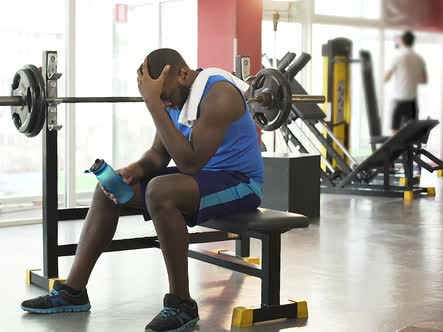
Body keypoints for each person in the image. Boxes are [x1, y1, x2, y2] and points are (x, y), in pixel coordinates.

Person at [20, 48, 264, 332]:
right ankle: (73, 291)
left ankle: (181, 303)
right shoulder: (177, 99)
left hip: (240, 183)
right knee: (107, 189)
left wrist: (153, 104)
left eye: (164, 95)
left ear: (183, 75)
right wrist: (132, 171)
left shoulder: (219, 95)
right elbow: (158, 156)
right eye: (158, 97)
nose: (164, 102)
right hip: (202, 178)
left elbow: (189, 162)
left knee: (160, 191)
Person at [384, 30, 428, 134]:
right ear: (413, 42)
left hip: (399, 101)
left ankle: (397, 151)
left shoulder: (398, 57)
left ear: (402, 41)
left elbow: (386, 78)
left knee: (395, 135)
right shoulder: (419, 59)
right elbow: (424, 80)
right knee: (410, 135)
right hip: (412, 103)